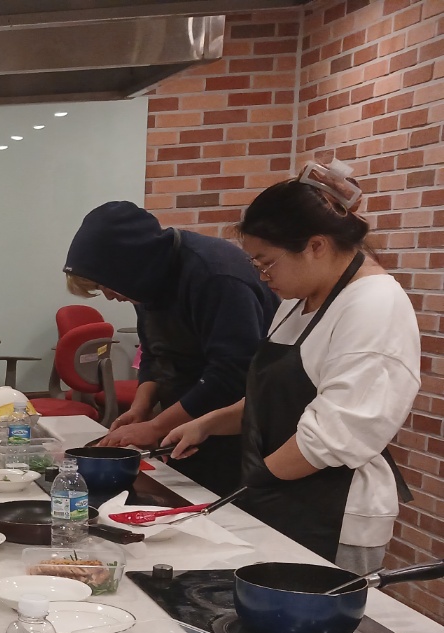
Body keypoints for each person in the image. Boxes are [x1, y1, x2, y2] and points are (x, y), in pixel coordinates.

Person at [164, 164, 421, 573]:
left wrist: (249, 487)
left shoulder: (374, 305)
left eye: (267, 263)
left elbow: (334, 436)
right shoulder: (299, 297)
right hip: (277, 496)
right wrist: (208, 423)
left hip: (330, 515)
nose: (262, 276)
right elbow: (272, 397)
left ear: (316, 246)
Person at [62, 201, 278, 494]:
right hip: (187, 415)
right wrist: (141, 409)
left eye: (107, 286)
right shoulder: (144, 281)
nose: (110, 297)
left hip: (237, 421)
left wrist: (157, 426)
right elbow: (154, 352)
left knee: (225, 505)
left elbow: (232, 372)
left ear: (131, 264)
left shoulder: (216, 275)